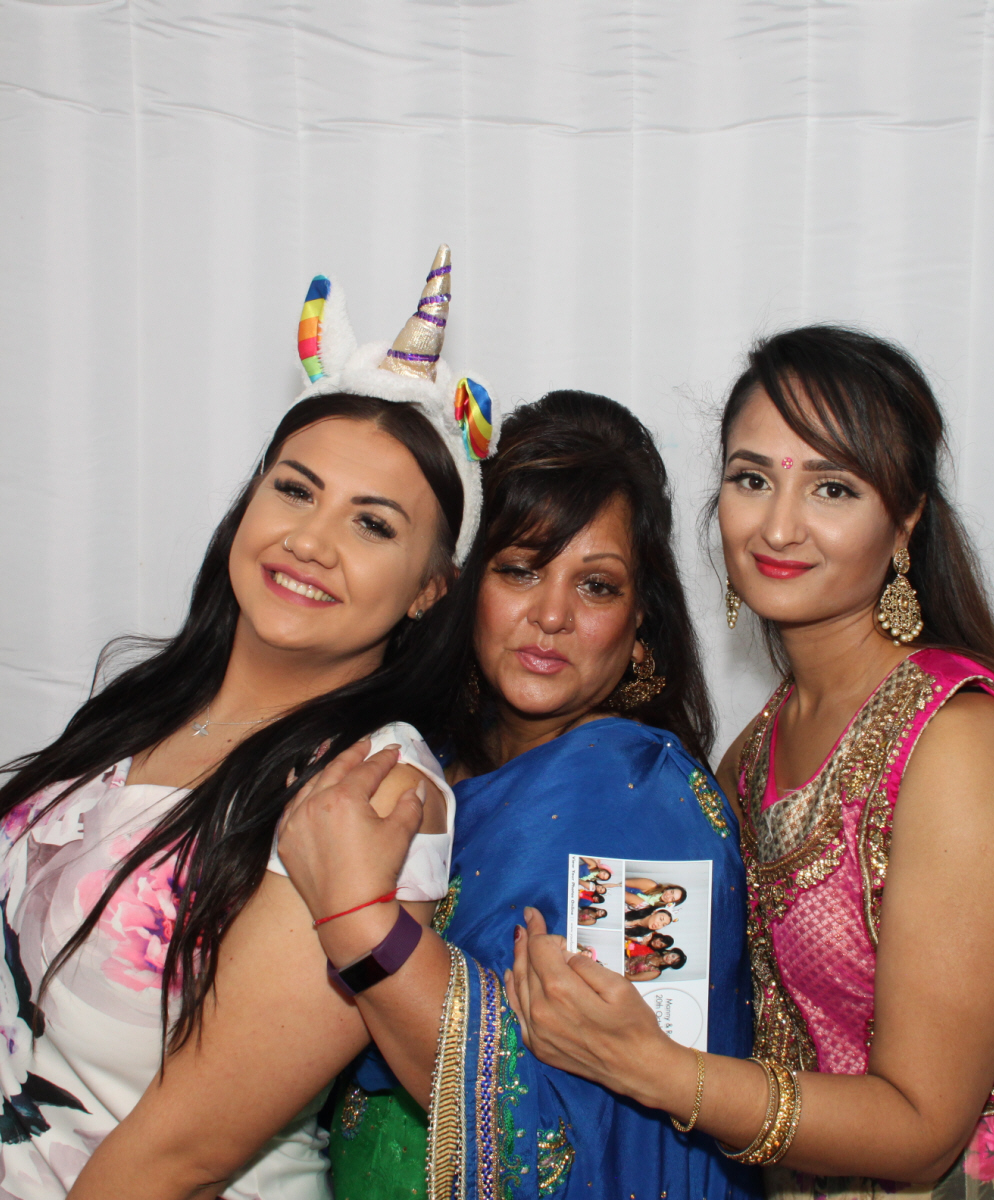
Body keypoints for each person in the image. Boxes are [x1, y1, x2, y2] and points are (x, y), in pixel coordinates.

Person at [0, 248, 503, 1200]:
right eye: (295, 489)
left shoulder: (373, 792)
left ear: (430, 589)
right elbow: (27, 926)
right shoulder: (150, 698)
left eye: (372, 524)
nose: (310, 540)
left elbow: (181, 1159)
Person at [507, 326, 994, 1199]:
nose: (779, 526)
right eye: (752, 479)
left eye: (833, 487)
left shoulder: (957, 743)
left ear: (905, 521)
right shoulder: (750, 756)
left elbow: (921, 1131)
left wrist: (654, 1068)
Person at [277, 392, 759, 1198]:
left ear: (641, 624)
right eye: (520, 569)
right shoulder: (420, 761)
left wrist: (363, 925)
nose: (551, 614)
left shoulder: (647, 807)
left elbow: (593, 1130)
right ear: (466, 586)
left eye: (596, 586)